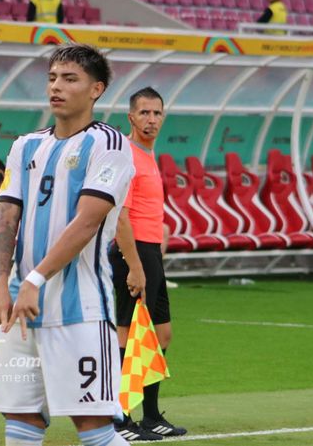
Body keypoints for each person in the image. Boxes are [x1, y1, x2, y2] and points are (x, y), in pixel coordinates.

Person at [0, 43, 135, 446]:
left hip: (80, 306)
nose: (57, 86)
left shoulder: (110, 144)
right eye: (52, 77)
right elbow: (5, 218)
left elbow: (87, 222)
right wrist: (0, 282)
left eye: (70, 79)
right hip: (21, 303)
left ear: (96, 89)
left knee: (93, 424)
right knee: (20, 412)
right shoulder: (25, 145)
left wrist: (34, 277)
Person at [109, 87, 187, 440]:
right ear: (131, 116)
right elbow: (120, 217)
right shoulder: (126, 155)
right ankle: (120, 419)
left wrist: (158, 243)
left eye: (156, 113)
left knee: (160, 334)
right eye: (144, 113)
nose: (151, 119)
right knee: (128, 335)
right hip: (132, 253)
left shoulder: (148, 154)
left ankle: (151, 415)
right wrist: (135, 264)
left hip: (150, 252)